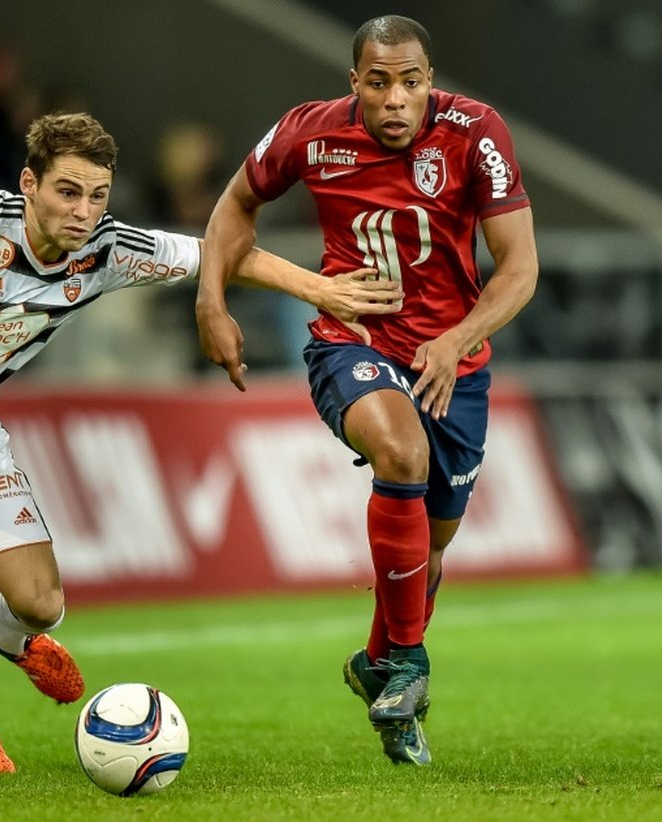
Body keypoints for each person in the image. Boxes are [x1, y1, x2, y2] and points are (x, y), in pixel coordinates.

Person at [0, 110, 402, 774]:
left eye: (98, 195)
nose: (85, 211)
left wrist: (320, 288)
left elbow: (222, 254)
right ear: (28, 184)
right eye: (68, 191)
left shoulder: (107, 249)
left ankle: (8, 635)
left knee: (42, 606)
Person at [196, 15, 538, 766]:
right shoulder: (310, 134)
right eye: (378, 82)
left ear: (429, 81)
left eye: (410, 81)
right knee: (400, 450)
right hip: (352, 340)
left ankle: (381, 666)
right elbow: (233, 207)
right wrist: (210, 302)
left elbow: (519, 268)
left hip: (455, 360)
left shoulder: (476, 134)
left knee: (432, 550)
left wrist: (456, 338)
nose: (395, 98)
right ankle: (409, 666)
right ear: (355, 82)